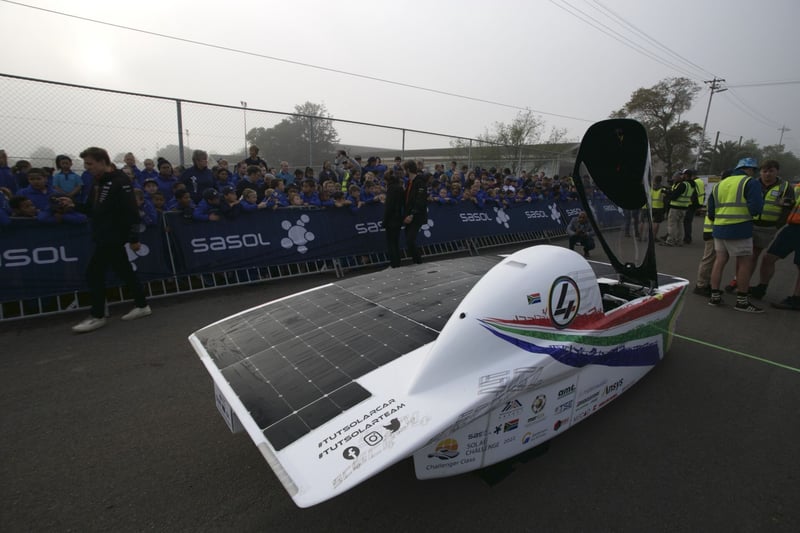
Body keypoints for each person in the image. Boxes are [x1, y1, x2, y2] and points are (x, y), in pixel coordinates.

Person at [72, 147, 151, 333]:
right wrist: (72, 205)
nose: (87, 167)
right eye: (85, 164)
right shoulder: (97, 182)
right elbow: (93, 210)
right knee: (124, 271)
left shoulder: (120, 181)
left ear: (102, 162)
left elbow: (132, 212)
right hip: (102, 236)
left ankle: (98, 315)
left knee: (94, 273)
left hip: (113, 237)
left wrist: (133, 238)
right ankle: (142, 305)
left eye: (90, 163)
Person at [730, 160, 795, 298]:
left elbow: (788, 208)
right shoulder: (752, 183)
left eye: (771, 171)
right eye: (764, 171)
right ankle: (739, 281)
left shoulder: (785, 187)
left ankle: (744, 285)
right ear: (760, 172)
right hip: (749, 223)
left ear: (777, 172)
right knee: (744, 255)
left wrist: (777, 225)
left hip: (767, 227)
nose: (767, 174)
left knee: (753, 255)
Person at [707, 157, 764, 312]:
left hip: (719, 228)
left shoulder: (721, 184)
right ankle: (742, 301)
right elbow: (756, 207)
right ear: (750, 169)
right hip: (740, 228)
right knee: (745, 263)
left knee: (720, 261)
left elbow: (710, 210)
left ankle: (714, 297)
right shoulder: (750, 182)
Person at [748, 182, 800, 309]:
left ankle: (796, 299)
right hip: (792, 227)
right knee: (768, 257)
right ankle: (761, 288)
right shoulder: (797, 186)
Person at [660, 171, 694, 246]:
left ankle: (670, 241)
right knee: (680, 225)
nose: (681, 176)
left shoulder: (683, 185)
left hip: (676, 207)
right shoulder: (691, 185)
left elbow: (674, 196)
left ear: (686, 175)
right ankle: (679, 241)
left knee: (672, 224)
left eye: (683, 175)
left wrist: (667, 194)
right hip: (684, 207)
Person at [382, 169, 405, 268]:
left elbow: (389, 206)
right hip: (399, 217)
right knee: (396, 241)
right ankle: (397, 262)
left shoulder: (391, 189)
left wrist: (384, 221)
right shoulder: (400, 188)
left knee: (391, 242)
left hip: (391, 219)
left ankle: (394, 263)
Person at [680, 168, 701, 244]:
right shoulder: (698, 182)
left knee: (687, 221)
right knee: (688, 221)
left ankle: (687, 238)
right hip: (695, 204)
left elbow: (693, 194)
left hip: (690, 204)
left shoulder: (692, 183)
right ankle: (687, 237)